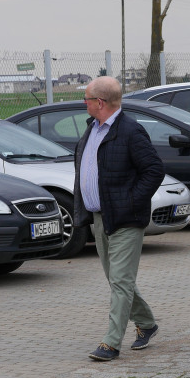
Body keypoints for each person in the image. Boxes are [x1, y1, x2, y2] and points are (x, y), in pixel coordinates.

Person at [75, 76, 166, 361]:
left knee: (121, 282)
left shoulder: (130, 130)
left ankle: (111, 343)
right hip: (100, 217)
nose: (84, 103)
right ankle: (148, 324)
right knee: (117, 279)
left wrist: (130, 202)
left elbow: (153, 170)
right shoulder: (92, 129)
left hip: (125, 219)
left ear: (99, 102)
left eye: (87, 99)